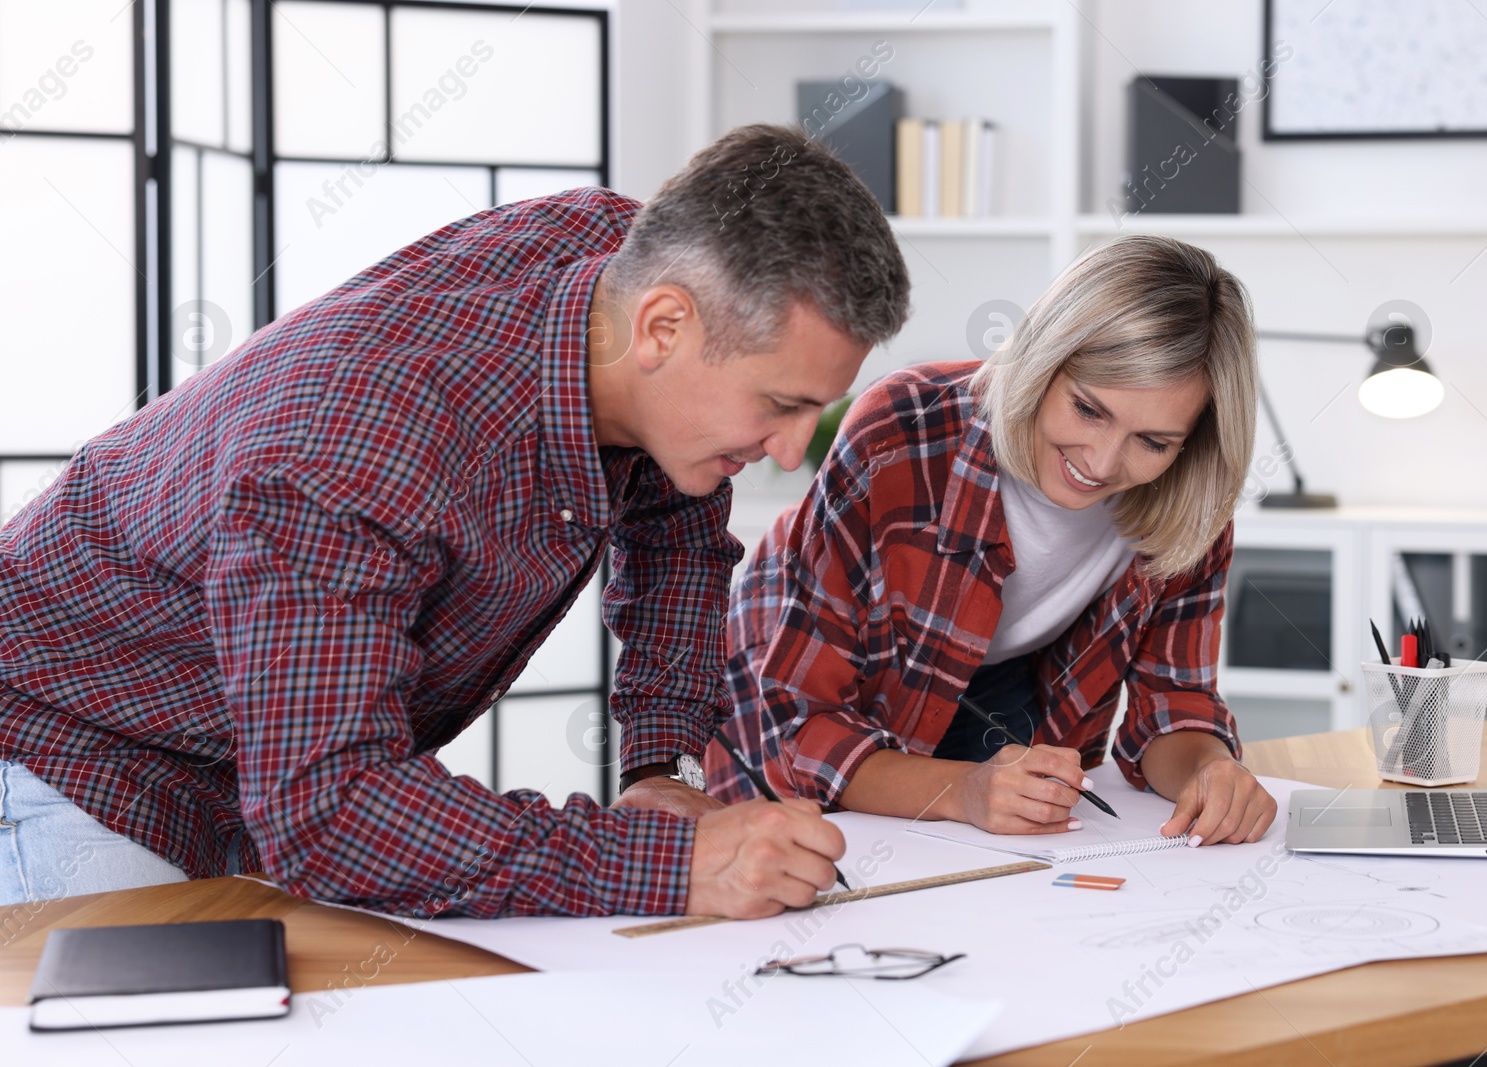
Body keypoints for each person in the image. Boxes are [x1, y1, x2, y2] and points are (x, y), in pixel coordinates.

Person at [0, 124, 910, 920]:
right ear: (664, 328)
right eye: (780, 405)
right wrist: (672, 866)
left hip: (284, 765)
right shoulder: (352, 448)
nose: (795, 452)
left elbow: (676, 527)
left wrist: (656, 769)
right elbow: (329, 814)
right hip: (80, 745)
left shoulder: (628, 266)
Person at [708, 234, 1277, 845]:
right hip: (797, 667)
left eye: (1154, 442)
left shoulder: (1189, 503)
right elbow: (797, 727)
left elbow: (1173, 703)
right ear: (1044, 358)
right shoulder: (900, 431)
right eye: (1089, 409)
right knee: (782, 872)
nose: (1103, 462)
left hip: (996, 683)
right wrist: (961, 791)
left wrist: (1211, 768)